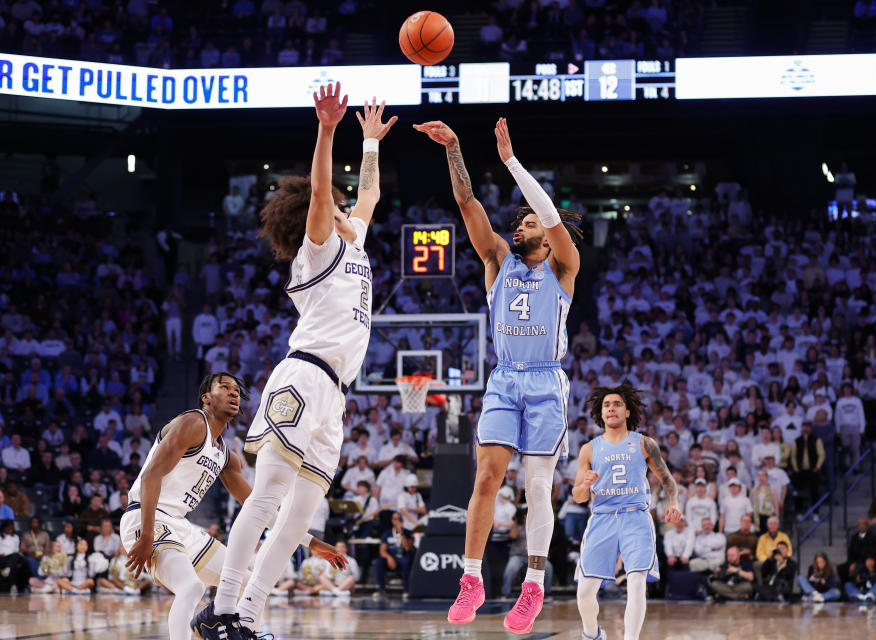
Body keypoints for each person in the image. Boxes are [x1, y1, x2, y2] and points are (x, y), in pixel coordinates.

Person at [194, 86, 395, 640]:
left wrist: (371, 142)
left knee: (298, 518)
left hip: (335, 396)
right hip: (304, 376)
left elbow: (370, 196)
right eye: (332, 200)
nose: (343, 203)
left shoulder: (352, 242)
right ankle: (224, 609)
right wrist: (328, 131)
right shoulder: (319, 244)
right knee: (265, 500)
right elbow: (323, 192)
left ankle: (249, 618)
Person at [415, 117, 583, 634]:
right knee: (486, 477)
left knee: (536, 487)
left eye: (529, 223)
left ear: (550, 238)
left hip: (547, 382)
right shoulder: (497, 260)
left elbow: (551, 214)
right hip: (505, 379)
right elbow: (468, 203)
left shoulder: (563, 267)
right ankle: (472, 578)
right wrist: (455, 149)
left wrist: (510, 160)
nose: (520, 227)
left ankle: (533, 585)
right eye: (519, 222)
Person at [123, 373, 344, 640]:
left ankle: (233, 631)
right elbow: (150, 476)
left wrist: (310, 542)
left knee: (246, 585)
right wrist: (147, 534)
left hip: (179, 524)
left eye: (237, 390)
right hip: (146, 517)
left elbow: (258, 508)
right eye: (225, 387)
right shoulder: (193, 422)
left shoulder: (226, 456)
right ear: (207, 397)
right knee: (191, 588)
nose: (234, 393)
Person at [572, 383, 682, 640]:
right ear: (601, 412)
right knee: (585, 593)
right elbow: (578, 497)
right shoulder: (589, 448)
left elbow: (667, 479)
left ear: (628, 411)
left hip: (635, 517)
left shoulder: (644, 443)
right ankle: (593, 634)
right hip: (602, 518)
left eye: (617, 404)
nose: (611, 408)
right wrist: (584, 484)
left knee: (636, 582)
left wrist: (673, 502)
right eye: (606, 405)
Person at [373, 512, 415, 599]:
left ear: (402, 521)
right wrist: (389, 558)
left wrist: (401, 533)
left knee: (406, 561)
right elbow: (382, 551)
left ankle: (407, 590)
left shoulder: (408, 533)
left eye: (399, 519)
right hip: (391, 559)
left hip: (403, 558)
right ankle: (382, 590)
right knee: (378, 562)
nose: (397, 521)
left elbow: (407, 548)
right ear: (392, 521)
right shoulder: (387, 533)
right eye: (395, 519)